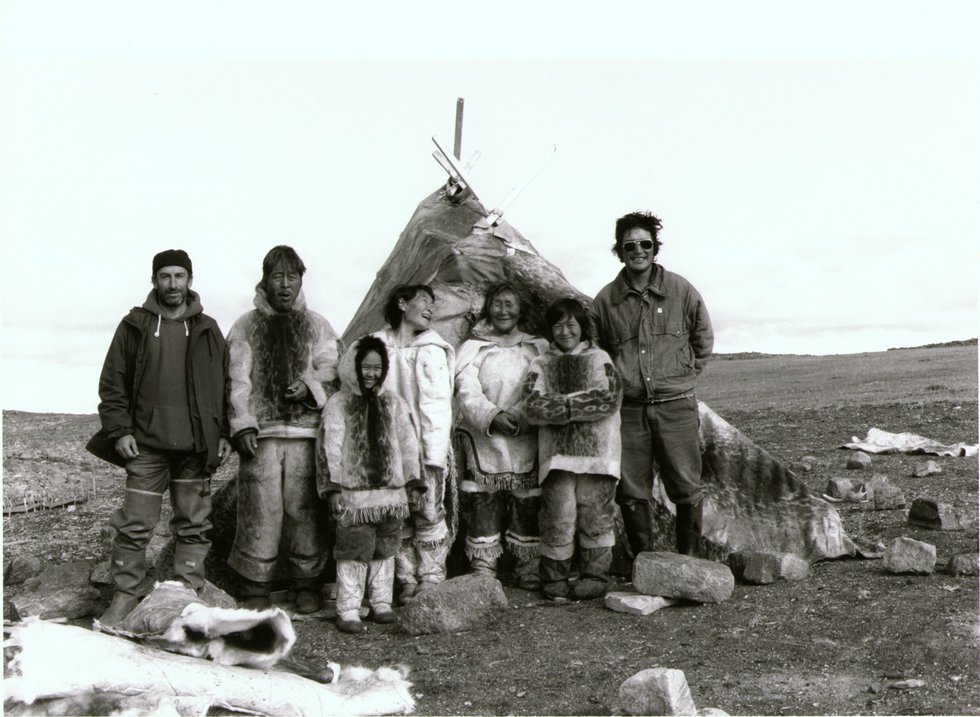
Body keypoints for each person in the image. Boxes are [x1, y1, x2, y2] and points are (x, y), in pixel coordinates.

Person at [92, 249, 231, 627]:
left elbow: (225, 386)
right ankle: (125, 597)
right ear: (155, 280)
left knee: (193, 525)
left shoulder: (208, 329)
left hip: (195, 447)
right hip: (146, 446)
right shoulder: (134, 325)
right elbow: (113, 383)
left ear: (190, 280)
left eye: (180, 276)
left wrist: (224, 434)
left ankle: (185, 599)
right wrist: (119, 430)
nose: (173, 284)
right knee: (135, 525)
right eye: (165, 276)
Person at [226, 245, 341, 613]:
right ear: (266, 280)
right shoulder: (245, 325)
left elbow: (333, 370)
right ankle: (256, 583)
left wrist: (310, 387)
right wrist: (241, 423)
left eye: (292, 277)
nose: (285, 285)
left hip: (307, 432)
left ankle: (306, 581)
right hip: (261, 435)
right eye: (278, 276)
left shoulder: (318, 325)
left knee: (304, 508)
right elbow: (235, 380)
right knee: (260, 510)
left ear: (301, 280)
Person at [591, 211, 713, 557]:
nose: (638, 251)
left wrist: (682, 378)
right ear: (619, 250)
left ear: (655, 248)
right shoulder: (605, 301)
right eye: (630, 245)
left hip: (676, 406)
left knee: (687, 486)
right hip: (629, 412)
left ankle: (687, 563)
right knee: (632, 491)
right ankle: (646, 565)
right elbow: (597, 355)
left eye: (645, 244)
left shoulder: (681, 290)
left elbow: (703, 340)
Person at [318, 335, 423, 633]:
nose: (371, 373)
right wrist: (333, 487)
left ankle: (380, 603)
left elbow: (408, 443)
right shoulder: (339, 404)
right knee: (353, 549)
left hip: (391, 496)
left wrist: (414, 481)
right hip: (355, 499)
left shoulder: (393, 402)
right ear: (353, 366)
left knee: (386, 548)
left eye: (378, 367)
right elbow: (330, 447)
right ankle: (349, 609)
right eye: (366, 367)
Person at [523, 298, 623, 601]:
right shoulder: (541, 362)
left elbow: (607, 398)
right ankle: (555, 577)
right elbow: (531, 406)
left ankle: (595, 575)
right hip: (557, 456)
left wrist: (560, 404)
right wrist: (579, 403)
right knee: (558, 514)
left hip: (598, 454)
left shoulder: (598, 358)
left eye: (570, 324)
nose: (564, 331)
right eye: (557, 325)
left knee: (595, 513)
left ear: (581, 327)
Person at [454, 283, 549, 588]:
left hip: (525, 434)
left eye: (510, 304)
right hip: (485, 435)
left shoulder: (537, 347)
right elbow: (465, 387)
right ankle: (484, 565)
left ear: (521, 308)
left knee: (527, 501)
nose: (503, 310)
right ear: (488, 308)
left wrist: (521, 416)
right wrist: (492, 415)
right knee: (482, 500)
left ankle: (528, 565)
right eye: (497, 304)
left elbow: (542, 385)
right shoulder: (475, 347)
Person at [371, 285, 455, 604]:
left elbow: (437, 404)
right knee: (397, 514)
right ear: (402, 303)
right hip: (389, 447)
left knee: (429, 511)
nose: (430, 308)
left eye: (434, 304)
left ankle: (431, 577)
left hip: (424, 446)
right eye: (424, 301)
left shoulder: (433, 348)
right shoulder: (376, 346)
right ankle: (405, 579)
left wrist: (434, 454)